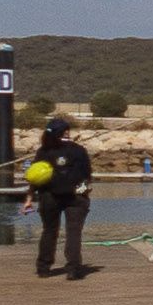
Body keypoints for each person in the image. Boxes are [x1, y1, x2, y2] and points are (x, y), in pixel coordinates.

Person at [30, 114, 94, 280]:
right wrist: (83, 191)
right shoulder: (79, 150)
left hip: (49, 195)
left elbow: (34, 176)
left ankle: (43, 267)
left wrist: (29, 196)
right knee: (73, 232)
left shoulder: (43, 151)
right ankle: (73, 268)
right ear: (67, 132)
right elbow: (87, 175)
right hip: (75, 196)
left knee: (49, 231)